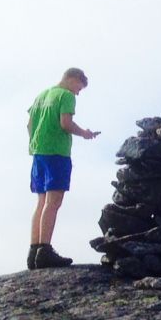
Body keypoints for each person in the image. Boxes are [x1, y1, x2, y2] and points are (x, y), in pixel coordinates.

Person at [26, 67, 100, 269]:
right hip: (57, 153)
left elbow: (29, 124)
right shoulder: (66, 95)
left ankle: (34, 251)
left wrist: (35, 143)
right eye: (79, 88)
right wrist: (84, 133)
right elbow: (65, 123)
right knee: (54, 201)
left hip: (39, 152)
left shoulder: (42, 95)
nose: (78, 93)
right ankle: (44, 251)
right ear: (73, 79)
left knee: (41, 202)